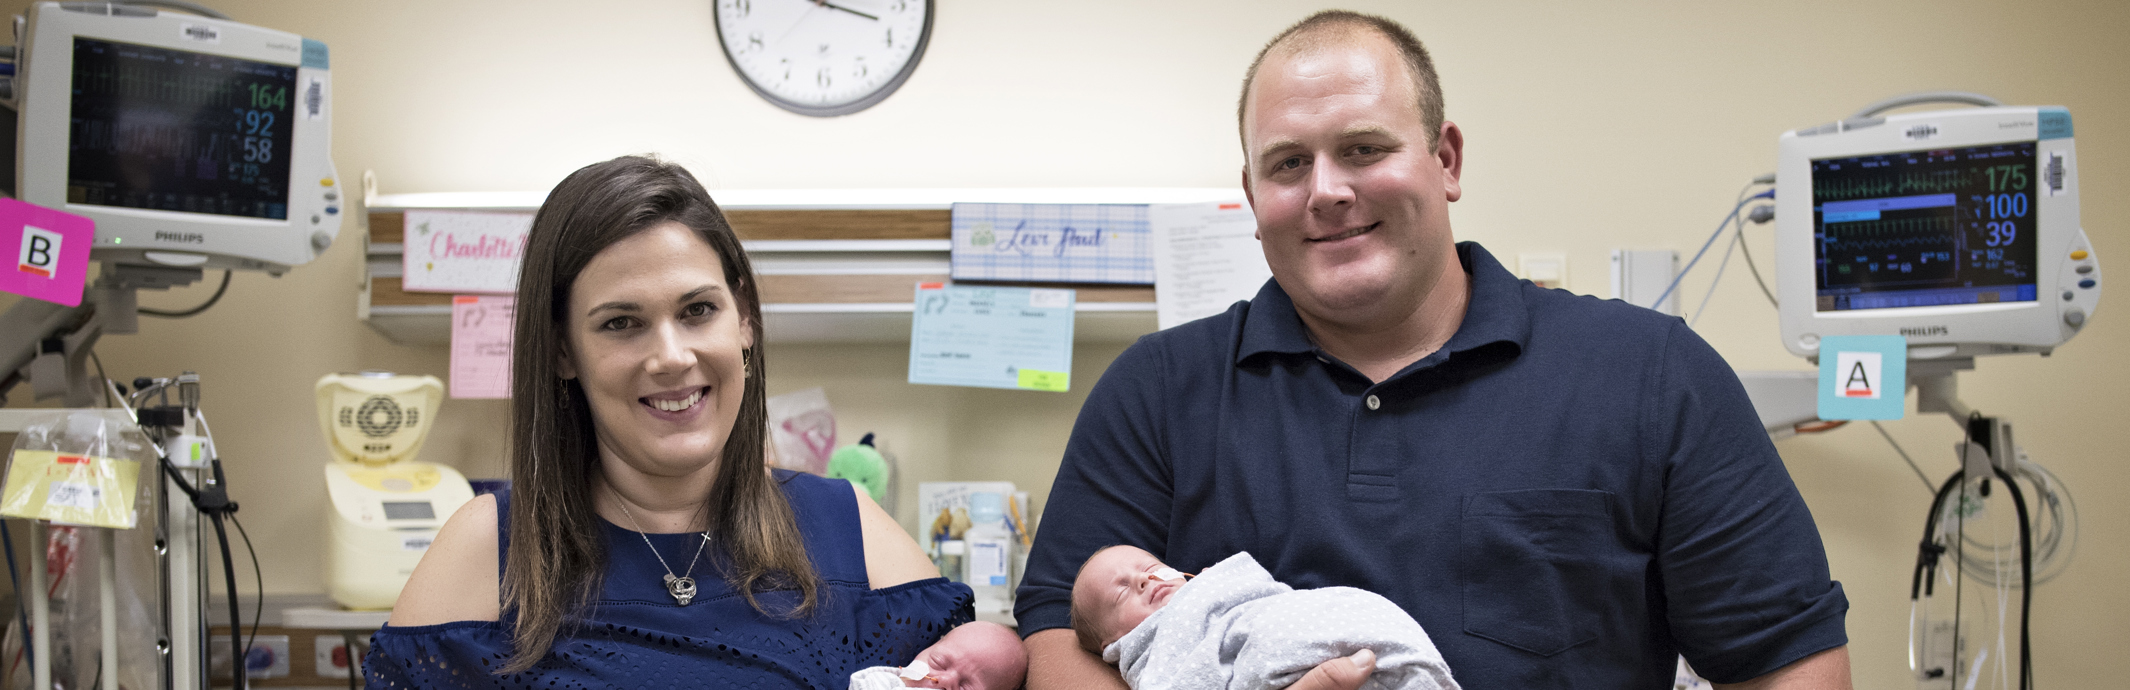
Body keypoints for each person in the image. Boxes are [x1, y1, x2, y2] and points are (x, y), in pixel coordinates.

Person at [1017, 11, 1853, 690]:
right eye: (1287, 164)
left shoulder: (1651, 376)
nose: (1328, 191)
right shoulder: (1155, 393)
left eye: (1364, 149)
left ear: (1445, 159)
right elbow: (1057, 638)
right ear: (1252, 196)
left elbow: (1789, 660)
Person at [364, 156, 975, 687]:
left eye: (698, 310)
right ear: (561, 352)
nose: (673, 356)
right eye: (620, 323)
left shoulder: (855, 536)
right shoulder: (487, 549)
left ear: (744, 321)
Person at [1070, 546, 1461, 690]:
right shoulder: (1154, 657)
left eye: (1151, 566)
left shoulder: (1210, 588)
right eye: (1121, 592)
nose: (1144, 579)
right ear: (1113, 644)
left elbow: (1268, 600)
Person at [847, 621, 1028, 690]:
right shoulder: (880, 682)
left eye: (966, 688)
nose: (945, 680)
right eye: (938, 662)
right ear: (925, 650)